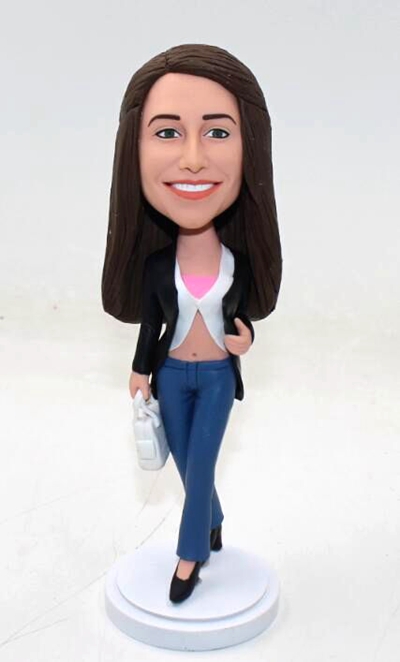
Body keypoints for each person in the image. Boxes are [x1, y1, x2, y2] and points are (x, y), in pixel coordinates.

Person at [101, 43, 282, 603]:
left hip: (219, 378)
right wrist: (140, 370)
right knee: (185, 463)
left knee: (200, 466)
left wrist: (245, 337)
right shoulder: (157, 266)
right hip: (172, 375)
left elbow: (240, 314)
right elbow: (151, 325)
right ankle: (213, 519)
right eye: (168, 132)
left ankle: (190, 557)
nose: (195, 159)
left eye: (218, 132)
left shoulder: (238, 263)